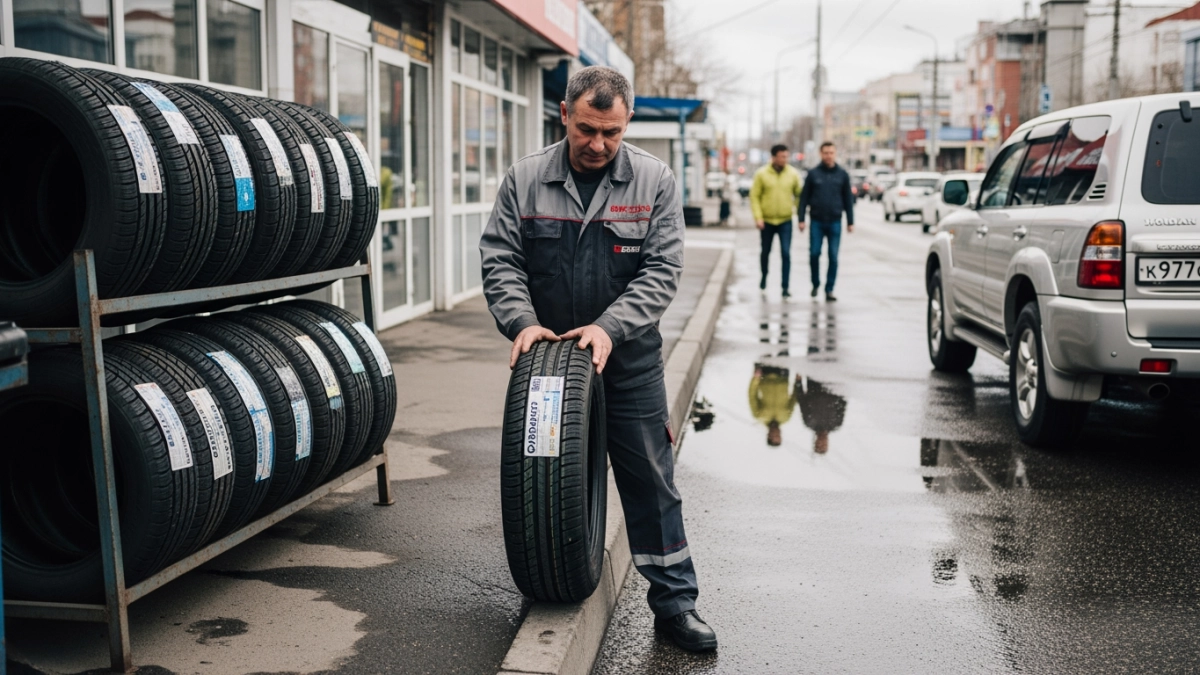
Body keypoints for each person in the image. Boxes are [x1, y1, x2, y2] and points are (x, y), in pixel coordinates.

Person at [479, 66, 717, 653]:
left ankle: (675, 605)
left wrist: (610, 328)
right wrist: (523, 323)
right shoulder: (526, 179)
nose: (598, 144)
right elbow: (500, 259)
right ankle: (553, 572)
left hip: (628, 361)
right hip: (550, 365)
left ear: (627, 120)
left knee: (650, 479)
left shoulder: (655, 182)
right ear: (564, 114)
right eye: (587, 129)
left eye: (611, 132)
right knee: (544, 469)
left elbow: (662, 271)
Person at [798, 142, 855, 302]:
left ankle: (829, 289)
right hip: (816, 221)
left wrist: (850, 221)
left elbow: (848, 199)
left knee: (833, 257)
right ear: (820, 154)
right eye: (825, 153)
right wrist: (801, 219)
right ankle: (815, 283)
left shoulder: (842, 174)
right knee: (814, 253)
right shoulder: (813, 174)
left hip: (835, 222)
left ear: (835, 154)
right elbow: (804, 198)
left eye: (831, 153)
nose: (828, 156)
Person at [750, 145, 803, 297]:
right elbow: (754, 196)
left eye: (786, 156)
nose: (784, 159)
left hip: (785, 220)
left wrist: (798, 213)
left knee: (786, 253)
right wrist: (758, 217)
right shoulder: (761, 174)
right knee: (765, 252)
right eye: (781, 156)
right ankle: (764, 276)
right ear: (773, 157)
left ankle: (785, 287)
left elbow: (799, 194)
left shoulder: (793, 174)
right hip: (766, 221)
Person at [748, 365, 798, 446]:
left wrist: (756, 378)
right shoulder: (786, 417)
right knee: (782, 352)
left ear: (768, 435)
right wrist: (797, 382)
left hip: (765, 374)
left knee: (763, 352)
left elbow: (752, 395)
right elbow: (794, 398)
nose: (778, 433)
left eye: (775, 435)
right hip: (783, 375)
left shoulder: (759, 415)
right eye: (779, 435)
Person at [797, 378, 846, 454]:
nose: (821, 442)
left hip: (814, 381)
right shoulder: (836, 423)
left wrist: (798, 382)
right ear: (827, 443)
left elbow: (801, 399)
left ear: (815, 442)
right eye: (824, 445)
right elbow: (843, 401)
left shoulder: (809, 422)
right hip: (833, 382)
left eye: (819, 444)